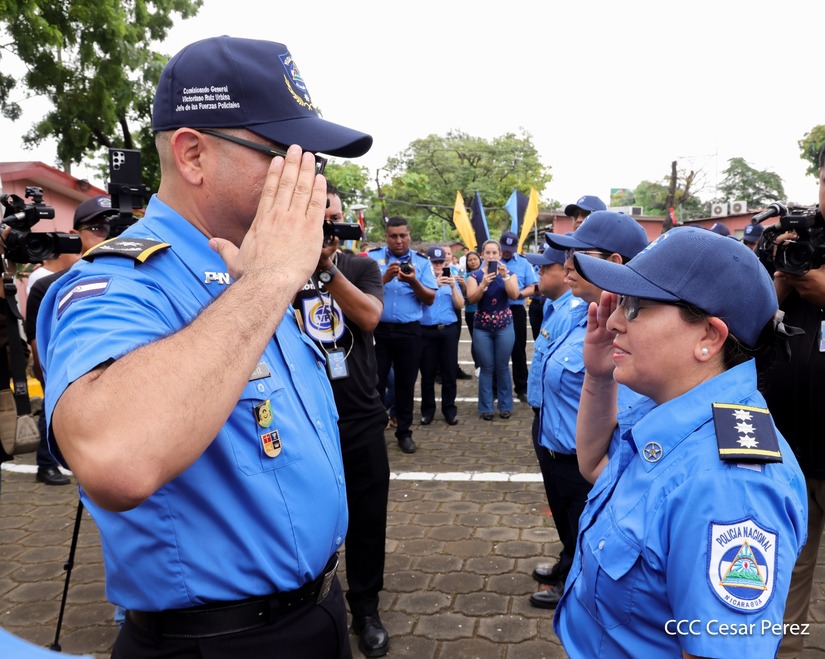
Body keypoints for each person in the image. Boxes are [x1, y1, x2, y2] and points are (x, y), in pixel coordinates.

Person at [37, 35, 372, 659]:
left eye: (315, 162)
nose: (311, 180)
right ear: (193, 155)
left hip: (319, 612)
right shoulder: (121, 282)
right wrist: (269, 282)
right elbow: (115, 460)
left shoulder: (252, 265)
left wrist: (265, 279)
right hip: (219, 642)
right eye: (287, 156)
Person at [554, 226, 807, 656]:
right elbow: (595, 465)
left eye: (636, 307)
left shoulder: (731, 488)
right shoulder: (672, 403)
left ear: (708, 337)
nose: (613, 320)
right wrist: (599, 376)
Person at [528, 211, 648, 609]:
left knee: (589, 527)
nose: (566, 265)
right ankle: (568, 562)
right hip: (552, 441)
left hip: (590, 460)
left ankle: (577, 585)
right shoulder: (573, 308)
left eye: (578, 256)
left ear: (613, 263)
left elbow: (626, 418)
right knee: (567, 521)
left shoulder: (632, 330)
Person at [293, 182, 390, 657]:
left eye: (333, 218)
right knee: (306, 516)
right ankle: (305, 603)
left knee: (368, 519)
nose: (328, 227)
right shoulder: (279, 268)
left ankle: (366, 608)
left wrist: (326, 268)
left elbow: (370, 317)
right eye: (318, 217)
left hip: (360, 413)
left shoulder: (360, 266)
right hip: (302, 417)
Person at [766, 147, 825, 659]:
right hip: (790, 447)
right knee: (785, 568)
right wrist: (780, 281)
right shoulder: (801, 239)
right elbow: (750, 327)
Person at [25, 195, 115, 486]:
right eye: (98, 228)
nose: (109, 235)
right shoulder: (50, 286)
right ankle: (46, 463)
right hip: (78, 394)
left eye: (116, 226)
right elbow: (43, 359)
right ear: (75, 235)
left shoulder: (152, 276)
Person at [522, 241, 583, 593]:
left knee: (575, 505)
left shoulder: (575, 312)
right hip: (546, 417)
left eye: (546, 267)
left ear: (565, 272)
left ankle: (574, 576)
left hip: (567, 425)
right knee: (558, 500)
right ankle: (567, 558)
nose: (539, 273)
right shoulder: (552, 306)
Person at [367, 217, 437, 454]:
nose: (398, 240)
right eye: (393, 236)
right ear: (386, 237)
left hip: (410, 331)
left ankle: (404, 432)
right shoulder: (373, 259)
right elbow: (361, 291)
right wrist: (384, 278)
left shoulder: (422, 263)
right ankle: (375, 433)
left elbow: (429, 298)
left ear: (409, 236)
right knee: (374, 383)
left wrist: (413, 281)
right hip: (379, 331)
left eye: (403, 235)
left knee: (406, 384)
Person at [465, 239, 519, 420]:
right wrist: (483, 285)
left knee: (502, 367)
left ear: (500, 254)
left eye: (494, 253)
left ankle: (505, 405)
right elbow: (472, 299)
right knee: (486, 367)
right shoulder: (474, 276)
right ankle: (486, 408)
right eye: (487, 253)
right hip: (482, 328)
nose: (491, 256)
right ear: (482, 255)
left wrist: (505, 277)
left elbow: (515, 295)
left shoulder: (509, 273)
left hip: (504, 325)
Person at [419, 246, 464, 426]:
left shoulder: (451, 279)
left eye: (440, 262)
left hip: (448, 330)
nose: (438, 266)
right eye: (434, 263)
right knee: (427, 373)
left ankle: (449, 409)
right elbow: (418, 301)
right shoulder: (422, 280)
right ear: (428, 263)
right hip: (427, 330)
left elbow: (460, 305)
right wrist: (434, 285)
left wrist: (453, 286)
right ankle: (427, 410)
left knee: (449, 372)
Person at [498, 231, 537, 403]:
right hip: (495, 309)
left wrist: (518, 294)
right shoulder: (492, 261)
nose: (507, 252)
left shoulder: (523, 263)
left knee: (518, 350)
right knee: (496, 350)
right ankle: (495, 387)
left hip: (515, 310)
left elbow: (532, 286)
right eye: (504, 249)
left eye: (510, 249)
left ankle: (522, 387)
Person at [462, 250, 482, 374]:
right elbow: (465, 295)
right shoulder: (465, 276)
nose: (473, 262)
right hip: (471, 311)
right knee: (475, 339)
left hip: (485, 310)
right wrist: (464, 284)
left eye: (475, 259)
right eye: (470, 260)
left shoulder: (485, 273)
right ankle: (478, 366)